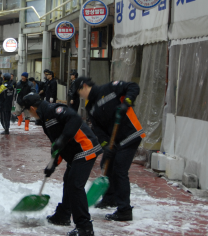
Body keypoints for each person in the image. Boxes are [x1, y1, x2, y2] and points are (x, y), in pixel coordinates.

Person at [22, 93, 101, 236]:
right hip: (75, 153)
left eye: (28, 111)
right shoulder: (45, 119)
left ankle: (85, 227)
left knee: (75, 185)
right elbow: (57, 145)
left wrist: (63, 139)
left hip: (85, 147)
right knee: (69, 181)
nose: (29, 114)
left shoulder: (54, 110)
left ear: (32, 108)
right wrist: (53, 164)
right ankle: (63, 215)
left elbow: (75, 119)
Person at [74, 77, 145, 222]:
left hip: (130, 134)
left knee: (119, 170)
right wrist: (106, 145)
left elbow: (133, 86)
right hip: (116, 140)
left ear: (85, 86)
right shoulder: (90, 107)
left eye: (79, 92)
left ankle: (124, 210)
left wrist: (127, 102)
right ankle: (110, 198)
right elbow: (98, 129)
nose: (80, 95)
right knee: (106, 163)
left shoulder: (110, 88)